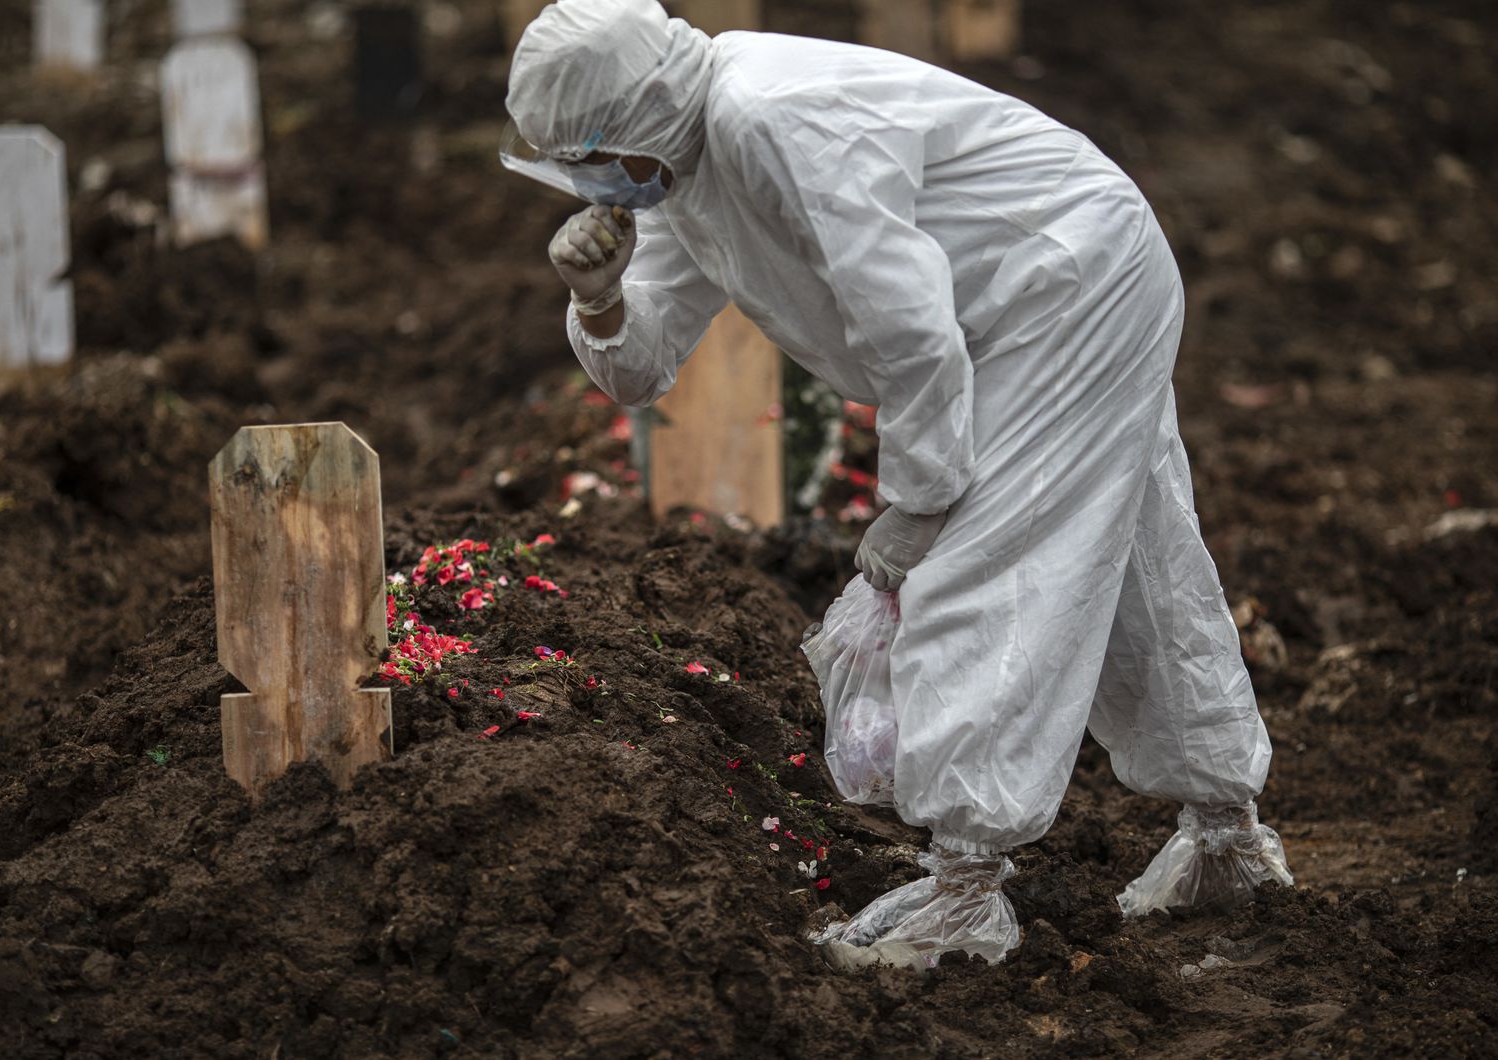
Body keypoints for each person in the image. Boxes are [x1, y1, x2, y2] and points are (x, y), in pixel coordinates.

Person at [503, 0, 1293, 968]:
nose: (581, 182)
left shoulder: (764, 117)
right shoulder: (684, 168)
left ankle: (964, 890)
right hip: (1032, 304)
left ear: (623, 121)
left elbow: (910, 323)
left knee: (979, 564)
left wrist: (919, 501)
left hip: (1067, 279)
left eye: (578, 154)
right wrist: (600, 299)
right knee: (1135, 558)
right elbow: (646, 364)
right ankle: (1227, 835)